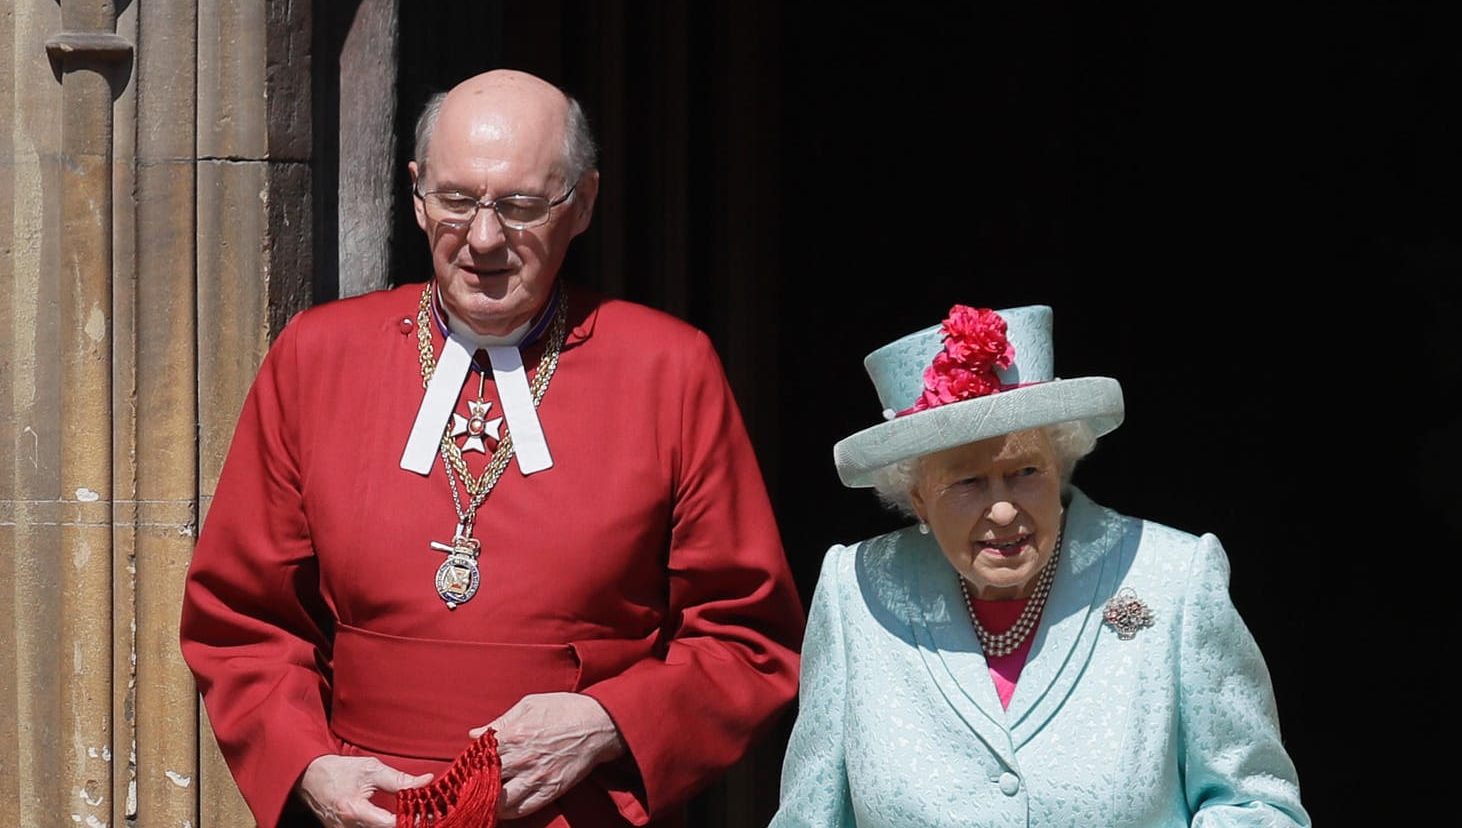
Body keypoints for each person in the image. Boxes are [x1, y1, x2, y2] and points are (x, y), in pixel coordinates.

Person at [180, 68, 805, 828]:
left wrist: (609, 722)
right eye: (455, 200)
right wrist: (307, 764)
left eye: (521, 206)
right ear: (415, 194)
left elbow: (748, 641)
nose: (483, 239)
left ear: (582, 205)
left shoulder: (670, 370)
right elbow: (242, 621)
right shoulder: (318, 357)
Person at [769, 303, 1311, 827]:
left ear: (1062, 463)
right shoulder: (854, 591)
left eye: (1026, 470)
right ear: (917, 497)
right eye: (967, 482)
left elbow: (1257, 807)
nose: (1003, 509)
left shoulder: (1175, 577)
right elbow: (809, 815)